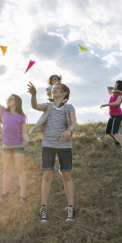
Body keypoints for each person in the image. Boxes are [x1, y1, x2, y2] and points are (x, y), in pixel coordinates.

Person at [27, 81, 77, 223]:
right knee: (47, 176)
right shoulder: (47, 106)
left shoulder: (69, 107)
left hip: (64, 146)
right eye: (53, 88)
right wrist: (34, 94)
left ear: (65, 93)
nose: (54, 90)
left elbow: (74, 122)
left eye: (58, 88)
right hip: (48, 145)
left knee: (66, 176)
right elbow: (34, 106)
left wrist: (68, 130)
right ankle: (44, 208)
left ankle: (71, 208)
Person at [0, 78, 35, 202]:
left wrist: (28, 141)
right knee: (7, 169)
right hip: (6, 146)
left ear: (17, 102)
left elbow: (23, 133)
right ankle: (5, 192)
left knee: (20, 170)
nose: (8, 100)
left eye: (11, 98)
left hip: (18, 146)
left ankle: (23, 196)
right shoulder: (3, 111)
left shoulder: (21, 117)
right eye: (7, 98)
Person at [100, 80, 122, 153]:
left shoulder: (120, 95)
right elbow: (108, 87)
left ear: (119, 86)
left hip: (118, 115)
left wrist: (106, 105)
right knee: (108, 131)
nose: (114, 86)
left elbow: (116, 103)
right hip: (111, 115)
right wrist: (115, 88)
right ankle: (116, 142)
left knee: (115, 132)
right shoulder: (113, 93)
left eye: (116, 85)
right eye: (114, 85)